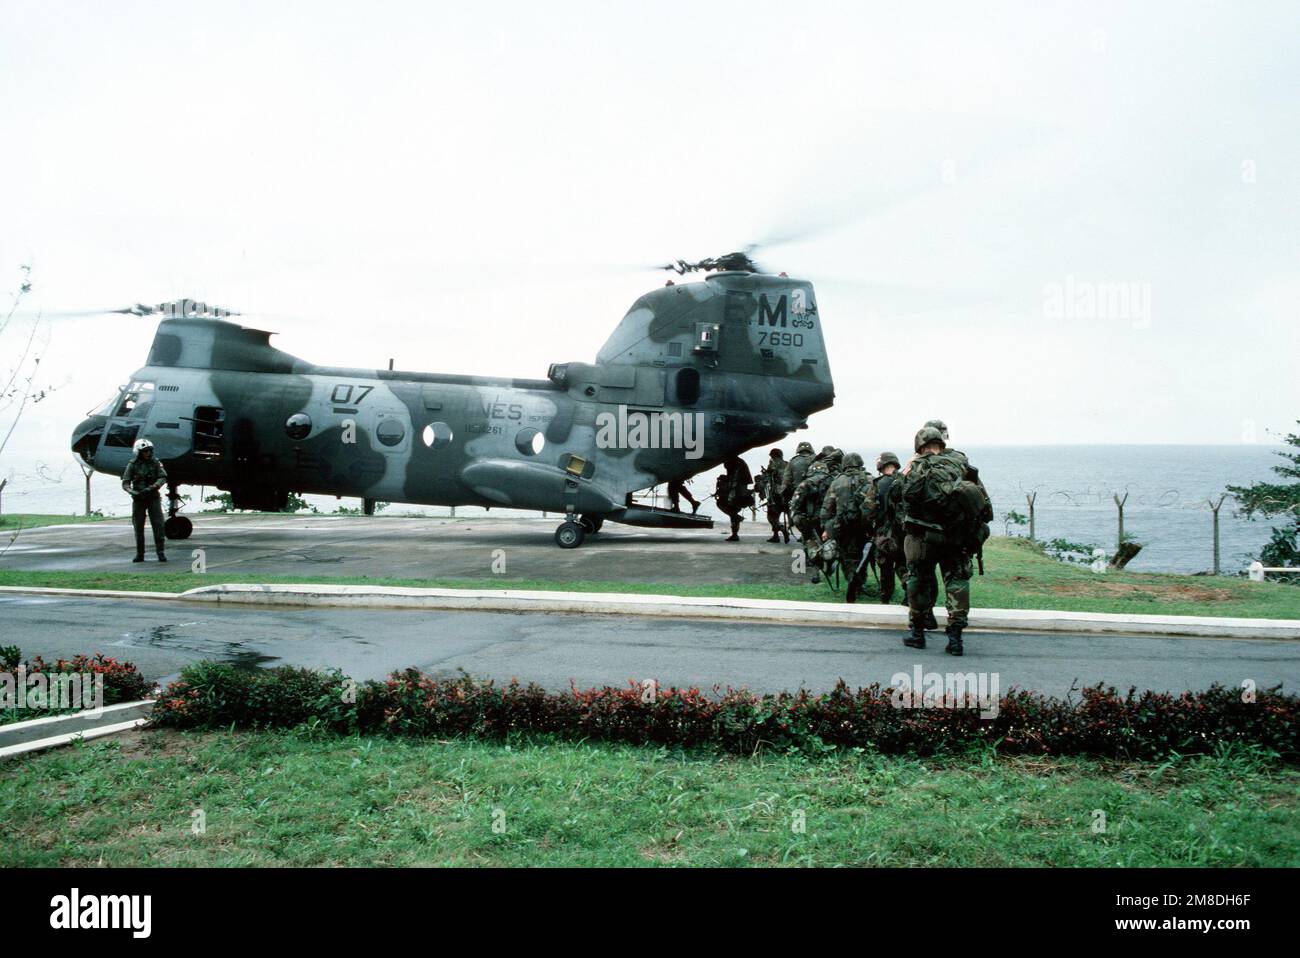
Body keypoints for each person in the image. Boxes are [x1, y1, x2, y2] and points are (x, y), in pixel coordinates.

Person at [899, 426, 989, 656]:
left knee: (918, 581)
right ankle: (955, 639)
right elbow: (982, 501)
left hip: (923, 539)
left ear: (919, 445)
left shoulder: (916, 466)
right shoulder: (960, 463)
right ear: (941, 443)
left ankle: (918, 634)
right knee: (957, 583)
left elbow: (899, 497)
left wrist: (906, 470)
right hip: (955, 538)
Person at [819, 452, 870, 596]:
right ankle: (859, 583)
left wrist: (826, 528)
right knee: (863, 556)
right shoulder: (868, 479)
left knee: (845, 555)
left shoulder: (837, 481)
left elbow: (827, 507)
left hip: (842, 526)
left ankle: (850, 578)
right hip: (863, 526)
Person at [789, 447, 842, 581]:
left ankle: (817, 570)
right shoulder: (834, 481)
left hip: (809, 519)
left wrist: (797, 519)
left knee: (811, 543)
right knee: (829, 544)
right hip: (828, 520)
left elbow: (795, 504)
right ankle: (828, 566)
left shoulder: (805, 483)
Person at [863, 451, 905, 605]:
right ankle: (909, 595)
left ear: (881, 466)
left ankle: (885, 598)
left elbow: (868, 510)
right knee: (904, 565)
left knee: (885, 567)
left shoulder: (878, 484)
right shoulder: (906, 481)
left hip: (884, 534)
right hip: (904, 533)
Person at [122, 438, 168, 563]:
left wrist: (153, 487)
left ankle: (161, 552)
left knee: (158, 525)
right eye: (145, 451)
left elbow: (163, 477)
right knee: (138, 527)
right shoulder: (132, 464)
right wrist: (133, 492)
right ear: (138, 452)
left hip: (153, 498)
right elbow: (125, 483)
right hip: (138, 500)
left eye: (149, 450)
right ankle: (140, 554)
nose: (148, 453)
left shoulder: (156, 462)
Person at [715, 456, 753, 542]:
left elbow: (734, 477)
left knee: (726, 506)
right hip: (739, 488)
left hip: (737, 489)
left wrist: (724, 479)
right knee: (733, 510)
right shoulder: (737, 461)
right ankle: (735, 533)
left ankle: (735, 531)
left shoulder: (734, 462)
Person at [756, 448, 790, 543]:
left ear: (773, 456)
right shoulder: (787, 464)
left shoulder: (773, 463)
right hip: (786, 495)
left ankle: (782, 530)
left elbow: (768, 477)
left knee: (772, 516)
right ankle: (776, 535)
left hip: (775, 495)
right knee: (778, 515)